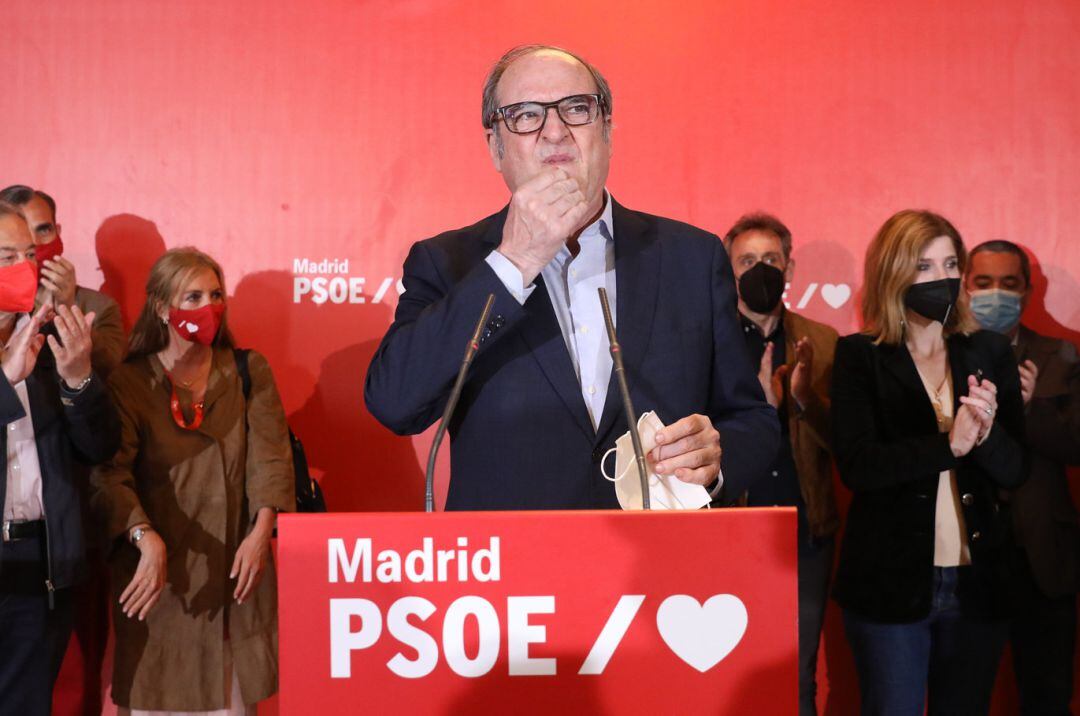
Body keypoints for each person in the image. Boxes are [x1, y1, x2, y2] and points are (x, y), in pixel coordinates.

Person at [364, 45, 778, 509]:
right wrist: (515, 260)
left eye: (576, 109)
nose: (555, 131)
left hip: (657, 567)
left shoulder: (692, 257)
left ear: (607, 131)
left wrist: (714, 461)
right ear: (496, 147)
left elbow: (751, 420)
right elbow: (395, 403)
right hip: (508, 568)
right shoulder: (447, 262)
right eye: (525, 115)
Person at [831, 210, 1026, 715]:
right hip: (890, 587)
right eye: (923, 266)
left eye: (949, 264)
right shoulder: (860, 358)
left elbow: (1015, 470)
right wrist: (950, 445)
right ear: (894, 271)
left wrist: (985, 435)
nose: (941, 279)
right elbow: (858, 466)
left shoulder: (987, 351)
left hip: (976, 586)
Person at [90, 248, 295, 715]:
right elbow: (109, 475)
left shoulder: (247, 371)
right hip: (158, 589)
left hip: (234, 581)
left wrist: (261, 533)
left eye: (216, 294)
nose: (209, 307)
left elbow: (271, 461)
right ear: (162, 307)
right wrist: (144, 538)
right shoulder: (129, 381)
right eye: (194, 295)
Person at [0, 202, 120, 716]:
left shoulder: (46, 336)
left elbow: (97, 447)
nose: (25, 268)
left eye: (30, 254)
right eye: (8, 257)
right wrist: (5, 380)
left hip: (38, 566)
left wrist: (77, 378)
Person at [722, 212, 839, 716]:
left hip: (804, 533)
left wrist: (802, 398)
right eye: (747, 261)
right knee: (729, 671)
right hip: (728, 531)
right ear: (730, 272)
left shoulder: (826, 342)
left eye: (771, 259)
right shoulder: (711, 338)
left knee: (798, 674)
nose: (761, 270)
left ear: (789, 269)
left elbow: (847, 444)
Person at [965, 240, 1080, 715]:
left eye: (1009, 285)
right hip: (967, 554)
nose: (996, 294)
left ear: (1028, 291)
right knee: (963, 692)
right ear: (966, 286)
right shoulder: (946, 352)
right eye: (984, 283)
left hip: (1041, 554)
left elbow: (1075, 445)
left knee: (1047, 694)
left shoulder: (1061, 355)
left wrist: (1029, 408)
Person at [0, 185, 126, 375]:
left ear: (57, 230)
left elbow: (110, 371)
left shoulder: (100, 307)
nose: (34, 241)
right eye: (22, 230)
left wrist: (66, 309)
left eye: (43, 230)